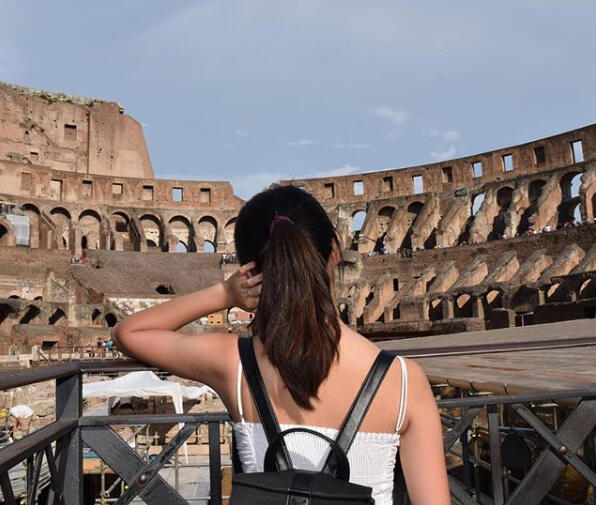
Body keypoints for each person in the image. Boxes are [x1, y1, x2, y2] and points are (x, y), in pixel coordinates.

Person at [112, 185, 450, 505]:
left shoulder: (235, 363)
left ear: (250, 269)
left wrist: (226, 293)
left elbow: (131, 333)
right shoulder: (404, 380)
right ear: (334, 252)